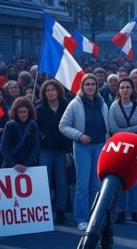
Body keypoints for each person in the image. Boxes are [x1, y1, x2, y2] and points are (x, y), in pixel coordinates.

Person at [59, 74, 110, 231]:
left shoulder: (102, 103)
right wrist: (79, 135)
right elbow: (63, 125)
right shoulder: (75, 103)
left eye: (92, 84)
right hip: (82, 148)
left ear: (96, 86)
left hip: (100, 146)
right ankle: (81, 218)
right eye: (87, 84)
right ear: (82, 86)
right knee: (82, 185)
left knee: (96, 184)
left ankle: (94, 217)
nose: (90, 86)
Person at [108, 78, 137, 224]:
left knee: (135, 181)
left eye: (128, 87)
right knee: (121, 182)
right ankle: (120, 211)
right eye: (122, 87)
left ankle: (135, 211)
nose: (125, 90)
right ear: (118, 90)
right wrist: (136, 128)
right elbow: (114, 130)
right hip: (120, 149)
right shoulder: (114, 106)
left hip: (136, 149)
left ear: (132, 90)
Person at [35, 79, 71, 225]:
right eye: (47, 90)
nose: (50, 92)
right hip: (46, 150)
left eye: (53, 90)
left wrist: (69, 150)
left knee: (62, 183)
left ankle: (60, 211)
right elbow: (34, 127)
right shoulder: (38, 108)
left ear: (58, 91)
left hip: (62, 151)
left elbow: (71, 125)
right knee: (45, 182)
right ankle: (43, 213)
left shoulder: (66, 106)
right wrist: (42, 136)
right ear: (44, 93)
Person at [0, 97, 40, 172]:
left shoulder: (33, 125)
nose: (22, 114)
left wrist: (27, 164)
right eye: (20, 112)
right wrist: (13, 164)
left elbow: (35, 146)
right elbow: (3, 146)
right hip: (10, 166)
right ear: (16, 112)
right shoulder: (9, 125)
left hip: (28, 167)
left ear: (29, 112)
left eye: (25, 111)